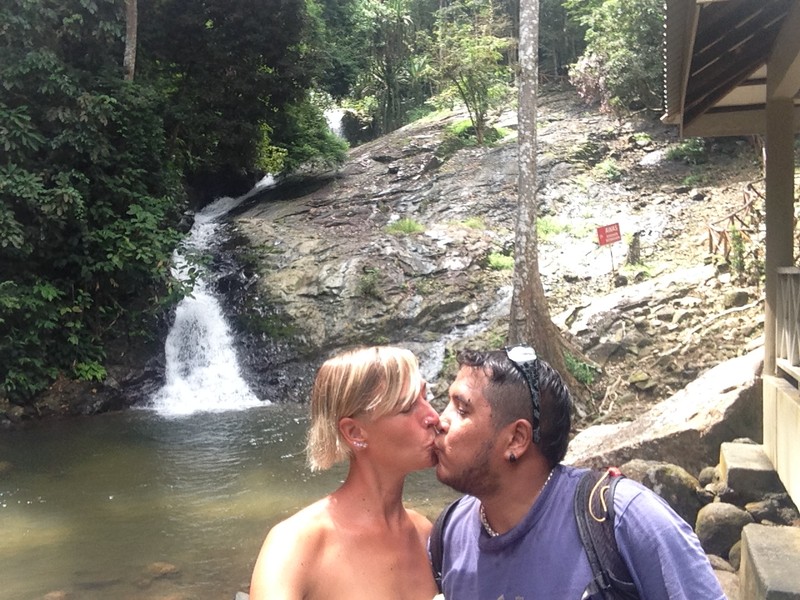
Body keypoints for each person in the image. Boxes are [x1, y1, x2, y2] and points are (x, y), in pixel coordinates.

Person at [433, 345, 726, 599]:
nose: (439, 420)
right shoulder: (449, 533)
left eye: (461, 409)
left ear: (516, 439)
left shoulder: (623, 520)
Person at [249, 346, 442, 600]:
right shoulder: (295, 544)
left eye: (426, 398)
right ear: (355, 433)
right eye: (407, 407)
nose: (434, 417)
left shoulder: (425, 534)